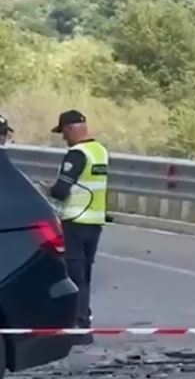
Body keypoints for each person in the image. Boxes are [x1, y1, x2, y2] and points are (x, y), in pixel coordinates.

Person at [47, 110, 109, 340]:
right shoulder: (100, 152)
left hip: (75, 222)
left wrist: (46, 189)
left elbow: (61, 191)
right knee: (85, 275)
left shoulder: (77, 154)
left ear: (71, 128)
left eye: (63, 132)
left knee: (74, 276)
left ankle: (78, 325)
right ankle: (84, 319)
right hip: (95, 222)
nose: (63, 138)